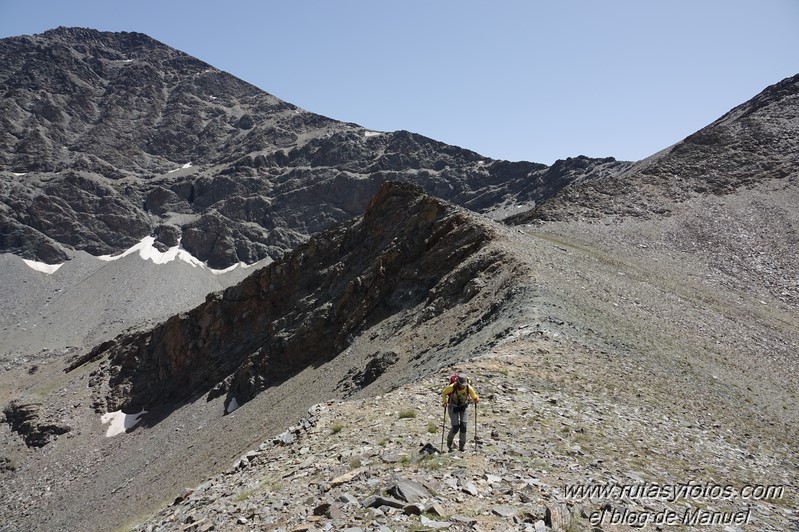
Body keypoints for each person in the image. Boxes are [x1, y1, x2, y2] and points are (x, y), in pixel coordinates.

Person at [441, 373, 479, 451]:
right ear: (458, 382)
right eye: (462, 385)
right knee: (455, 427)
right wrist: (444, 402)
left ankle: (462, 447)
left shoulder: (469, 388)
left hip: (464, 406)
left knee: (463, 426)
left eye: (465, 384)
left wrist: (476, 399)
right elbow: (444, 392)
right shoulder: (452, 387)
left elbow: (474, 396)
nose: (463, 386)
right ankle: (449, 444)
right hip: (453, 406)